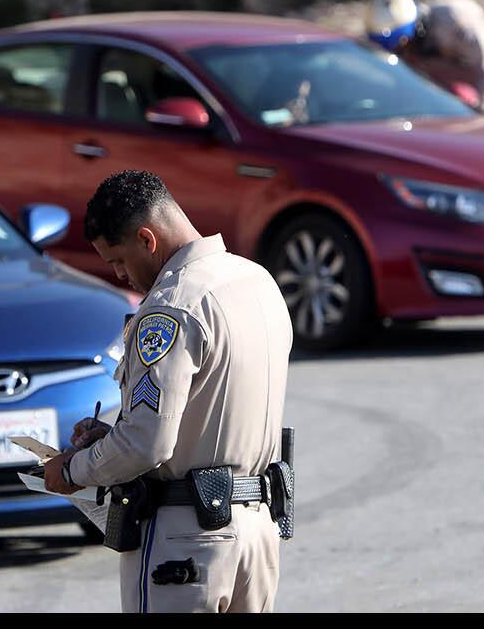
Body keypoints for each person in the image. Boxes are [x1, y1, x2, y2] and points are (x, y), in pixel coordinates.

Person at [41, 170, 294, 613]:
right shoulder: (257, 282)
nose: (122, 275)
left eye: (118, 260)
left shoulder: (171, 307)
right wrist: (112, 437)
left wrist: (73, 469)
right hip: (257, 530)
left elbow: (147, 443)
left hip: (187, 539)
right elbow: (210, 411)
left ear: (146, 238)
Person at [365, 0, 484, 122]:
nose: (400, 50)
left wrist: (476, 115)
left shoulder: (454, 18)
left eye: (401, 42)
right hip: (457, 104)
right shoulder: (407, 45)